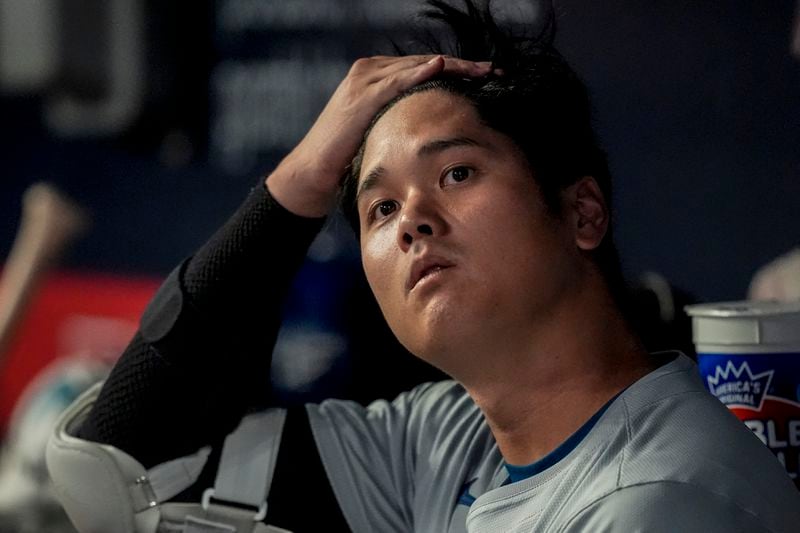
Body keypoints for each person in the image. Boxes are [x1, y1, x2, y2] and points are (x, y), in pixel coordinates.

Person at [47, 1, 800, 532]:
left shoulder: (658, 503)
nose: (412, 221)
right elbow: (114, 464)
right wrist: (298, 183)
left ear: (582, 212)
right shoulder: (443, 443)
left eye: (458, 174)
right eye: (380, 209)